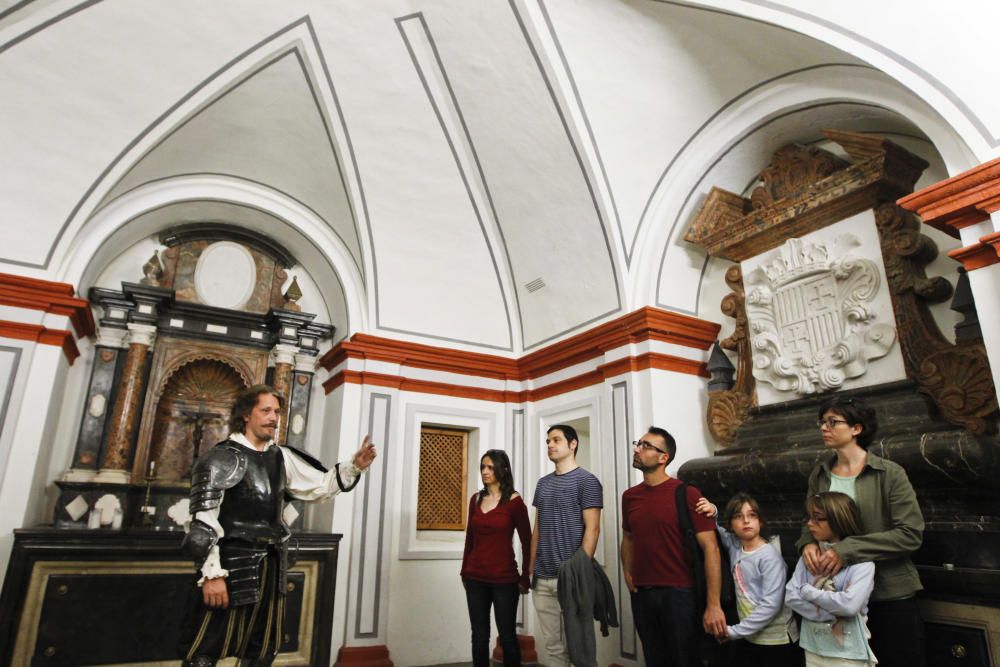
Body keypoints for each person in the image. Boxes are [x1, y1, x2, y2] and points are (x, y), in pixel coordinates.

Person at [178, 384, 376, 667]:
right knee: (205, 651)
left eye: (277, 412)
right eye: (266, 410)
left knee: (261, 651)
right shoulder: (220, 458)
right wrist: (212, 575)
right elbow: (202, 525)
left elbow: (320, 486)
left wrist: (354, 465)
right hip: (229, 565)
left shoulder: (281, 457)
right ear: (246, 414)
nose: (274, 417)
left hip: (272, 565)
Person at [797, 397, 924, 667]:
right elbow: (810, 520)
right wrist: (807, 543)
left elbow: (910, 534)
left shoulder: (889, 473)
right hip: (837, 597)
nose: (824, 428)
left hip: (889, 592)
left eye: (833, 422)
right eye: (822, 422)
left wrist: (848, 549)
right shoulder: (819, 474)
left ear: (857, 429)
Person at [620, 426, 726, 666]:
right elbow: (628, 537)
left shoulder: (686, 493)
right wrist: (628, 573)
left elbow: (711, 549)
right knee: (655, 660)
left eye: (646, 446)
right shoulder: (630, 496)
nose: (637, 449)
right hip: (643, 594)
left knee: (685, 660)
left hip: (680, 595)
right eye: (639, 443)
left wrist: (713, 604)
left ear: (663, 457)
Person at [695, 493, 800, 667]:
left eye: (752, 515)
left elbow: (770, 606)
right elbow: (716, 531)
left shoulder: (769, 558)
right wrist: (713, 510)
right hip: (751, 638)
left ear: (760, 522)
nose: (746, 521)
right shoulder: (736, 545)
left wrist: (734, 632)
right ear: (731, 525)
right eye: (738, 516)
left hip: (777, 641)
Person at [528, 424, 603, 667]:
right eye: (548, 440)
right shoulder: (543, 484)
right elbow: (537, 528)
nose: (550, 445)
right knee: (552, 647)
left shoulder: (587, 481)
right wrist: (531, 569)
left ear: (573, 445)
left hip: (572, 577)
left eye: (556, 440)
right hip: (542, 577)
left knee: (580, 648)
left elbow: (593, 528)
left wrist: (578, 570)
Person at [786, 492, 877, 666]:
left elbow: (849, 605)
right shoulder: (809, 556)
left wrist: (807, 591)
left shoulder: (863, 563)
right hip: (812, 648)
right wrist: (835, 611)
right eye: (809, 517)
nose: (810, 524)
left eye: (818, 518)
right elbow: (791, 597)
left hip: (849, 654)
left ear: (839, 520)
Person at [461, 449, 531, 667]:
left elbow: (527, 541)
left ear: (503, 469)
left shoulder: (514, 501)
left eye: (490, 467)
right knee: (479, 636)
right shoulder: (475, 500)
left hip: (505, 580)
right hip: (475, 579)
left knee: (507, 636)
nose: (485, 471)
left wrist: (525, 576)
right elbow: (470, 539)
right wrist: (464, 571)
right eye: (483, 466)